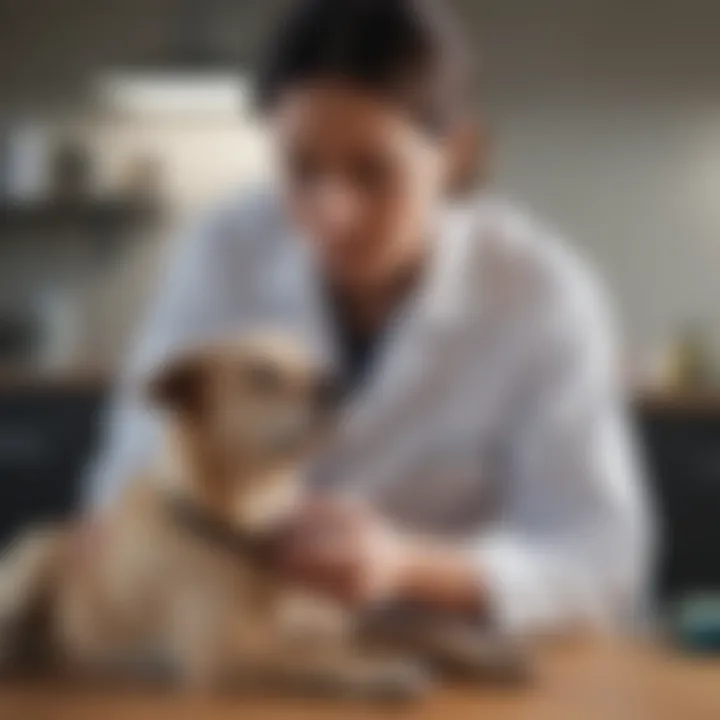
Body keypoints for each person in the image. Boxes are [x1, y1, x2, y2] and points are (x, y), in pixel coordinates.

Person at [87, 0, 650, 635]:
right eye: (300, 169)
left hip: (458, 670)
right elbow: (123, 488)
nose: (332, 213)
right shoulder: (221, 255)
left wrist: (409, 566)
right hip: (254, 654)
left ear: (455, 151)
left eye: (374, 172)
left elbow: (601, 561)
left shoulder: (542, 294)